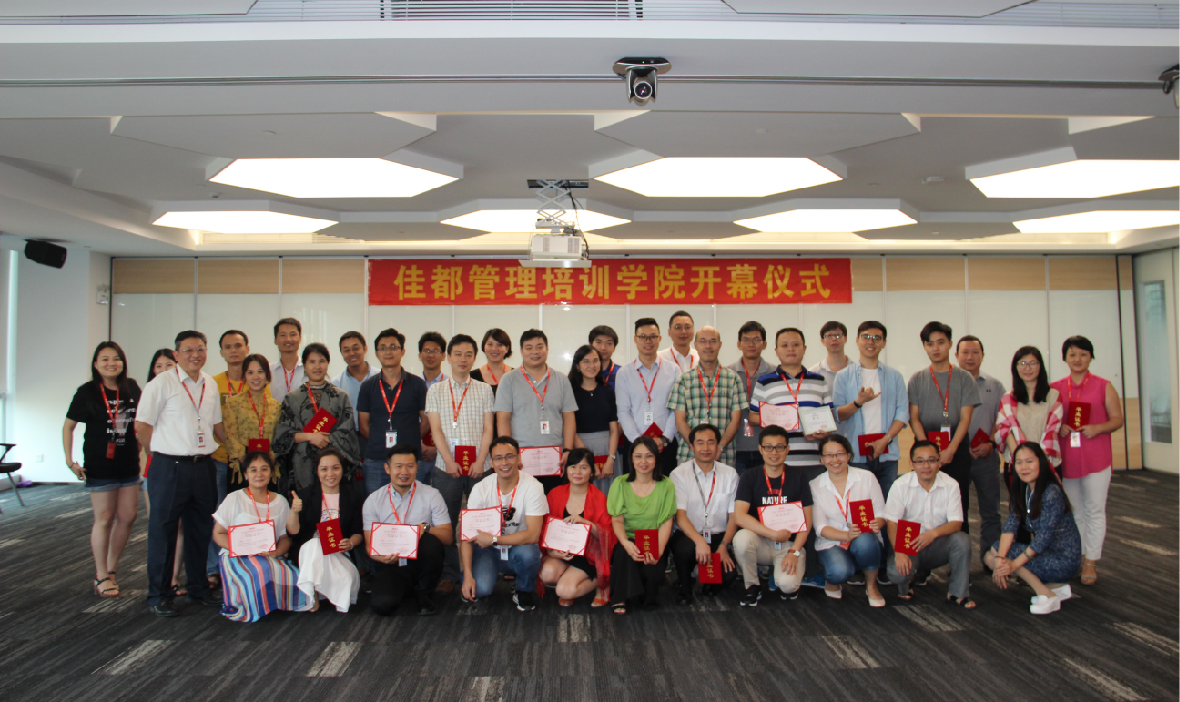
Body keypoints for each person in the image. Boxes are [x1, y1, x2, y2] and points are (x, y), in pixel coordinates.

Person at [134, 330, 227, 617]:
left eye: (200, 349)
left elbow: (216, 426)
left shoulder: (210, 383)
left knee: (200, 530)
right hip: (169, 467)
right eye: (188, 350)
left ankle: (198, 588)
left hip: (203, 466)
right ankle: (159, 595)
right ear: (176, 354)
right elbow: (142, 426)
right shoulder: (161, 383)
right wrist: (157, 453)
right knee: (163, 531)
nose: (194, 355)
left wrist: (239, 450)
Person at [748, 327, 833, 588]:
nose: (790, 349)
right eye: (784, 345)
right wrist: (777, 419)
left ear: (805, 348)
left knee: (811, 518)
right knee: (782, 517)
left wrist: (821, 432)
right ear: (776, 351)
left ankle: (812, 570)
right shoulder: (765, 382)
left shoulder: (819, 381)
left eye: (795, 344)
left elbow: (829, 417)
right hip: (778, 464)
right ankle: (780, 568)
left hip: (812, 462)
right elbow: (752, 416)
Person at [63, 341, 142, 598]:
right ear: (96, 364)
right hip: (99, 464)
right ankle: (100, 575)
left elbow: (141, 419)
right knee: (105, 518)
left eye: (116, 358)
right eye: (105, 359)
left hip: (128, 462)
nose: (111, 363)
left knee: (128, 517)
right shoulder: (87, 392)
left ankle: (112, 569)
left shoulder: (131, 387)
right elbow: (69, 426)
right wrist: (70, 460)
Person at [425, 334, 495, 594]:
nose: (463, 359)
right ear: (448, 357)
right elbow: (435, 430)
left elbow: (489, 429)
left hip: (480, 466)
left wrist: (480, 460)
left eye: (468, 354)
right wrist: (448, 461)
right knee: (446, 522)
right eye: (457, 354)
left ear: (474, 358)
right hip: (447, 468)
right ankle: (449, 573)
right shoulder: (435, 390)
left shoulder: (484, 389)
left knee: (482, 519)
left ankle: (480, 569)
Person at [1050, 335, 1123, 586]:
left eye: (1083, 354)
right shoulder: (1055, 388)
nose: (1078, 359)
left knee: (1094, 510)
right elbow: (1048, 419)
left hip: (1096, 457)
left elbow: (1117, 419)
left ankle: (1091, 561)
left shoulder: (1104, 386)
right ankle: (1078, 557)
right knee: (1074, 511)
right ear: (1065, 358)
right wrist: (1058, 427)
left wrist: (1098, 428)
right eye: (1072, 354)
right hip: (1067, 457)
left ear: (1091, 357)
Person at [212, 452, 311, 622]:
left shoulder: (280, 501)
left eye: (264, 469)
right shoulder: (234, 498)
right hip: (237, 556)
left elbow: (285, 537)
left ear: (271, 473)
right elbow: (217, 534)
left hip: (269, 555)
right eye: (253, 470)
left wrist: (277, 552)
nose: (259, 474)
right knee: (260, 570)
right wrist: (241, 548)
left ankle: (271, 602)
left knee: (295, 576)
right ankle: (257, 606)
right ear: (245, 474)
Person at [985, 442, 1082, 615]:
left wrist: (1012, 564)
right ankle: (1055, 587)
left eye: (1029, 461)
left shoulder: (1051, 493)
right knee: (991, 557)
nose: (1024, 467)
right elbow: (1011, 525)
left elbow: (1042, 540)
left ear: (1041, 462)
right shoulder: (1023, 489)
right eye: (1019, 462)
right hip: (1046, 553)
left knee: (1000, 555)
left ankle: (1046, 594)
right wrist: (1000, 559)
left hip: (1064, 560)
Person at [907, 321, 980, 535]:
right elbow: (914, 418)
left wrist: (950, 450)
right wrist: (928, 452)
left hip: (956, 450)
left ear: (950, 344)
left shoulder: (964, 378)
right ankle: (922, 551)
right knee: (920, 504)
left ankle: (958, 552)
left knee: (958, 505)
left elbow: (965, 419)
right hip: (924, 452)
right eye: (930, 344)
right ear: (924, 346)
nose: (935, 348)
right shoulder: (917, 379)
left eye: (941, 342)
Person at [362, 443, 452, 616]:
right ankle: (406, 588)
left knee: (431, 542)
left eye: (410, 466)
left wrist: (424, 528)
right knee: (383, 606)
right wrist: (382, 557)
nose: (404, 472)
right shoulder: (373, 501)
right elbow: (369, 546)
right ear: (387, 468)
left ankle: (424, 592)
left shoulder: (431, 495)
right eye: (398, 466)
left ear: (417, 468)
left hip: (421, 562)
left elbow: (448, 537)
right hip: (391, 563)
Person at [461, 436, 548, 611]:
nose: (504, 463)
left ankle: (523, 589)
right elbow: (466, 538)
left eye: (509, 456)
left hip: (518, 547)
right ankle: (474, 576)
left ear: (519, 458)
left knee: (529, 554)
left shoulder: (533, 486)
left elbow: (533, 535)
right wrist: (468, 576)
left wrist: (494, 539)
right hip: (487, 550)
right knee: (480, 590)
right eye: (498, 458)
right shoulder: (480, 489)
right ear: (492, 463)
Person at [885, 441, 974, 608]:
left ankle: (957, 593)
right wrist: (900, 552)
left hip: (936, 543)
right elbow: (892, 523)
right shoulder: (900, 485)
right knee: (897, 574)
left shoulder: (951, 485)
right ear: (911, 464)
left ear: (939, 462)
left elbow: (956, 523)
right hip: (908, 544)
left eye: (931, 460)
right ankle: (907, 582)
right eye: (920, 461)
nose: (926, 466)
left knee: (962, 540)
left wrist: (932, 534)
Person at [833, 321, 908, 516]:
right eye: (866, 337)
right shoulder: (843, 376)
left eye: (877, 338)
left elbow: (902, 413)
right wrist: (858, 402)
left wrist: (885, 440)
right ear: (857, 340)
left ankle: (886, 538)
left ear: (884, 343)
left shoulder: (895, 376)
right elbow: (838, 414)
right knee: (861, 511)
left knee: (889, 510)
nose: (871, 342)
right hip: (856, 454)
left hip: (887, 453)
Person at [732, 425, 812, 606]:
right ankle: (752, 585)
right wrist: (772, 534)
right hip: (760, 541)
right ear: (760, 449)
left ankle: (782, 576)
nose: (774, 452)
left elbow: (807, 521)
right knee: (741, 539)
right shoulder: (749, 476)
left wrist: (794, 551)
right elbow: (740, 517)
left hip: (789, 545)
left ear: (787, 449)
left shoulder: (799, 476)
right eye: (768, 447)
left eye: (779, 447)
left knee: (788, 586)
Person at [494, 329, 578, 494]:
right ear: (521, 351)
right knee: (524, 505)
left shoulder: (561, 379)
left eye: (539, 347)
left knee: (554, 503)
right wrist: (510, 455)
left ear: (547, 349)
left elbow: (569, 418)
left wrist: (568, 450)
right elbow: (502, 419)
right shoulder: (509, 379)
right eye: (529, 347)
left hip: (556, 460)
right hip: (522, 460)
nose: (535, 352)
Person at [809, 435, 887, 606]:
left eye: (840, 454)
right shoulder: (815, 485)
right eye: (829, 455)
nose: (835, 460)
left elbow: (881, 513)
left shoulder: (867, 477)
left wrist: (878, 522)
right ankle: (833, 580)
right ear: (821, 458)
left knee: (867, 542)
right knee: (838, 572)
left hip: (863, 536)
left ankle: (872, 586)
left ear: (849, 456)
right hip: (832, 541)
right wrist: (846, 535)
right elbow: (821, 528)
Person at [273, 343, 362, 492]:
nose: (317, 366)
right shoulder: (292, 398)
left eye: (322, 361)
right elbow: (282, 436)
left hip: (333, 467)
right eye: (312, 362)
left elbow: (348, 433)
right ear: (304, 365)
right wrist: (310, 437)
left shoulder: (340, 397)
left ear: (328, 363)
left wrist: (325, 439)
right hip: (301, 467)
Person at [668, 424, 739, 605]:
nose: (705, 448)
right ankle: (685, 587)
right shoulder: (679, 474)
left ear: (717, 446)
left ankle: (709, 582)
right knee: (685, 550)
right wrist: (699, 541)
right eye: (700, 443)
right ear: (691, 447)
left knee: (729, 575)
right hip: (689, 535)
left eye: (710, 442)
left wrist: (724, 545)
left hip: (718, 537)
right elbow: (680, 516)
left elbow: (734, 517)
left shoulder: (730, 474)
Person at [288, 448, 365, 613]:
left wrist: (350, 543)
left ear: (342, 470)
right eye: (324, 469)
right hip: (309, 554)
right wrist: (294, 512)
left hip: (338, 552)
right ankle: (312, 593)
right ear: (317, 471)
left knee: (346, 579)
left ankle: (319, 588)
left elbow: (358, 532)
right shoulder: (305, 495)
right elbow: (293, 533)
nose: (330, 474)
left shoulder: (352, 496)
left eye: (335, 468)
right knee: (315, 543)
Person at [607, 437, 677, 614]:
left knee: (652, 574)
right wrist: (625, 542)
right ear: (631, 458)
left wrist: (658, 551)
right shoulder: (620, 483)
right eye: (638, 456)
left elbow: (666, 522)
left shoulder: (666, 485)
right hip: (628, 538)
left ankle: (636, 592)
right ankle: (619, 598)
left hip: (654, 540)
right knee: (623, 554)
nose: (643, 462)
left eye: (649, 456)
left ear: (656, 458)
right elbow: (617, 520)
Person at [357, 328, 429, 495]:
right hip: (376, 460)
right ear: (376, 353)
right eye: (382, 348)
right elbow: (363, 424)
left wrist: (409, 438)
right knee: (376, 505)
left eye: (393, 347)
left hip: (410, 460)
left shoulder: (417, 384)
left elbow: (426, 420)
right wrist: (377, 439)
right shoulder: (367, 386)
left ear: (402, 351)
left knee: (414, 505)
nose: (388, 352)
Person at [540, 449, 614, 607]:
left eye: (584, 467)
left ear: (592, 471)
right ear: (566, 470)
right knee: (547, 574)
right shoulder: (555, 494)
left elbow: (608, 533)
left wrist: (586, 523)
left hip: (588, 556)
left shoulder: (599, 497)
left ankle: (601, 581)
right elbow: (545, 528)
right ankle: (568, 578)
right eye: (573, 467)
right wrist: (553, 552)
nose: (578, 472)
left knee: (564, 591)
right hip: (561, 553)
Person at [207, 329, 252, 588]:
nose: (234, 350)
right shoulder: (213, 383)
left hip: (249, 464)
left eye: (238, 345)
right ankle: (213, 568)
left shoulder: (255, 378)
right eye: (228, 347)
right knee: (219, 515)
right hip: (221, 460)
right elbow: (213, 422)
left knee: (246, 514)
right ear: (221, 352)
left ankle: (243, 562)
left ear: (247, 348)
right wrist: (235, 449)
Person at [955, 335, 1005, 564]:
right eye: (965, 352)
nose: (970, 357)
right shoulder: (949, 383)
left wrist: (990, 444)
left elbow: (1002, 419)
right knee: (958, 512)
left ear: (982, 355)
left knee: (991, 511)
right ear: (956, 356)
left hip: (986, 457)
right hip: (956, 457)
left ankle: (990, 558)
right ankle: (960, 561)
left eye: (975, 352)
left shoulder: (995, 386)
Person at [668, 325, 744, 466]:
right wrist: (696, 447)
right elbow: (680, 421)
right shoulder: (684, 379)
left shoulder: (733, 379)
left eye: (713, 341)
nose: (708, 346)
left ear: (720, 345)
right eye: (703, 341)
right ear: (695, 345)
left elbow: (735, 420)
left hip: (723, 455)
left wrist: (719, 447)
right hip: (689, 455)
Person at [141, 348, 184, 595]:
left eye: (169, 365)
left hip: (185, 467)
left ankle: (175, 576)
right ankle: (159, 586)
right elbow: (141, 429)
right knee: (161, 526)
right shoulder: (152, 391)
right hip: (160, 466)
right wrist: (154, 453)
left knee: (181, 527)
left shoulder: (186, 391)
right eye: (159, 366)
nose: (164, 370)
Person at [615, 318, 681, 476]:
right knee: (636, 488)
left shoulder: (673, 370)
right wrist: (638, 442)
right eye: (643, 337)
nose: (648, 341)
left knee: (666, 487)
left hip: (665, 445)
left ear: (660, 338)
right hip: (635, 446)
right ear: (635, 339)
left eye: (652, 336)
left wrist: (665, 438)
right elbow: (623, 411)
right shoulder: (624, 373)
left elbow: (677, 409)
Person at [993, 346, 1063, 468]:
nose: (1028, 368)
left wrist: (1037, 461)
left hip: (1046, 463)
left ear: (1040, 366)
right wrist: (1022, 460)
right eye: (1023, 363)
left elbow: (1052, 430)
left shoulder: (1053, 396)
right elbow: (1004, 430)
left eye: (1033, 363)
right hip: (1017, 463)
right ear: (1016, 367)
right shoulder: (1008, 398)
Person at [223, 354, 282, 491]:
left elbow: (279, 437)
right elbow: (230, 435)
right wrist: (246, 462)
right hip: (242, 465)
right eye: (250, 372)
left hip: (268, 464)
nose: (256, 377)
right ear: (244, 376)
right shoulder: (233, 403)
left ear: (267, 375)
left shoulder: (276, 406)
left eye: (260, 372)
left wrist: (270, 460)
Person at [569, 344, 620, 495]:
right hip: (581, 449)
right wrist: (587, 459)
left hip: (607, 449)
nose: (592, 365)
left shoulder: (607, 389)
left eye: (595, 361)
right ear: (577, 366)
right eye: (586, 361)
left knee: (610, 497)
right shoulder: (570, 391)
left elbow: (614, 429)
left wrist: (611, 458)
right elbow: (569, 428)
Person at [727, 321, 775, 476]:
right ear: (739, 344)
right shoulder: (727, 374)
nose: (751, 344)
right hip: (736, 446)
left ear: (764, 344)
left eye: (756, 340)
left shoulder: (775, 373)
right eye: (746, 340)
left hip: (768, 447)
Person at [416, 331, 448, 486]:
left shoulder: (451, 385)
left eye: (435, 351)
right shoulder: (411, 384)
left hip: (445, 454)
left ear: (443, 355)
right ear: (419, 355)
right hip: (417, 452)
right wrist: (417, 445)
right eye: (426, 351)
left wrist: (439, 450)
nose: (430, 355)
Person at [331, 331, 379, 412]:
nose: (352, 353)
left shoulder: (381, 377)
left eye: (355, 349)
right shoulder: (336, 384)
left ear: (365, 349)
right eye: (346, 350)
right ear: (341, 353)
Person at [270, 318, 306, 400]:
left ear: (300, 338)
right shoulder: (268, 371)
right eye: (283, 335)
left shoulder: (309, 370)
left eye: (293, 334)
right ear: (275, 340)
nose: (288, 339)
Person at [470, 328, 514, 395]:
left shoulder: (516, 375)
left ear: (507, 349)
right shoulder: (472, 376)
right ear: (484, 347)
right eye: (490, 344)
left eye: (499, 344)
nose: (494, 349)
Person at [810, 321, 850, 386]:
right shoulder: (814, 373)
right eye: (829, 336)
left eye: (838, 335)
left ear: (845, 338)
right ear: (823, 341)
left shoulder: (857, 370)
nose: (834, 339)